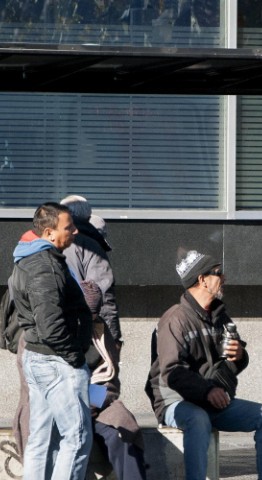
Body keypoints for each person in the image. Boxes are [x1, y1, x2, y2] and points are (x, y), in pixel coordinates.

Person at [146, 250, 262, 480]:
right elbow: (171, 372)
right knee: (198, 419)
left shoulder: (220, 315)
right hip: (175, 401)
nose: (224, 278)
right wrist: (207, 390)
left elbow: (231, 364)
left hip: (213, 398)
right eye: (218, 273)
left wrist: (240, 355)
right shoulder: (175, 319)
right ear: (202, 280)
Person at [13, 279, 148, 479]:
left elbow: (111, 381)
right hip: (49, 405)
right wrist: (75, 399)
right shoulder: (36, 333)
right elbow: (34, 383)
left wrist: (91, 400)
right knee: (58, 440)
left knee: (122, 427)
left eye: (92, 316)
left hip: (93, 403)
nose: (85, 321)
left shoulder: (100, 331)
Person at [10, 202, 93, 480]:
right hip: (55, 361)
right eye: (68, 227)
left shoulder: (28, 259)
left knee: (41, 440)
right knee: (77, 438)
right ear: (49, 232)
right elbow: (50, 325)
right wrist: (76, 358)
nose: (74, 231)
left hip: (39, 357)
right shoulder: (45, 266)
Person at [60, 194, 123, 346]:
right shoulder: (90, 247)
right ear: (88, 216)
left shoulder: (46, 243)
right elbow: (102, 295)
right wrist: (113, 339)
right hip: (81, 331)